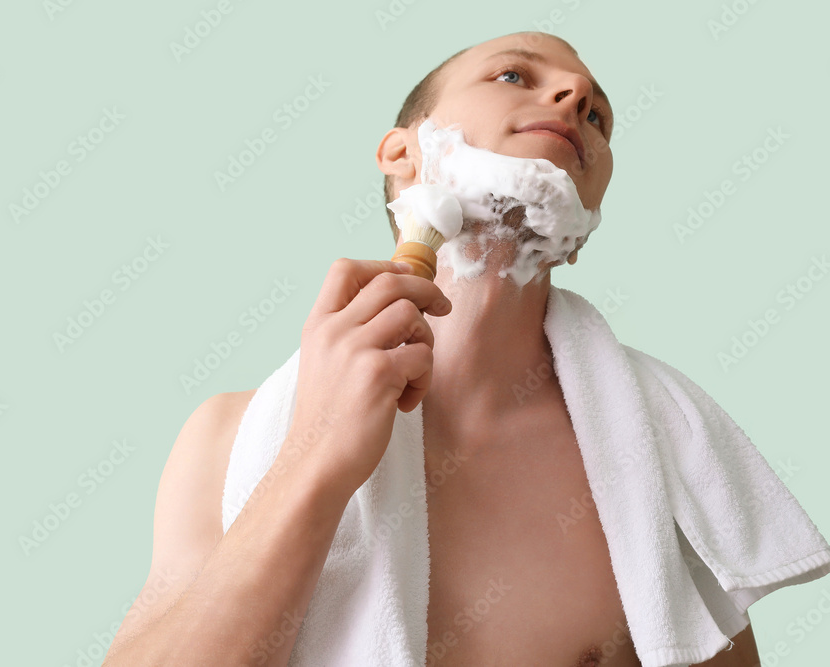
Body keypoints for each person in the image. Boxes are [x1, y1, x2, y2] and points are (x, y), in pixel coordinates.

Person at [104, 31, 763, 666]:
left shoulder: (662, 447)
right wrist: (317, 450)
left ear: (585, 225)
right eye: (514, 74)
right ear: (401, 154)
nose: (573, 96)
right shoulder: (225, 436)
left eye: (597, 116)